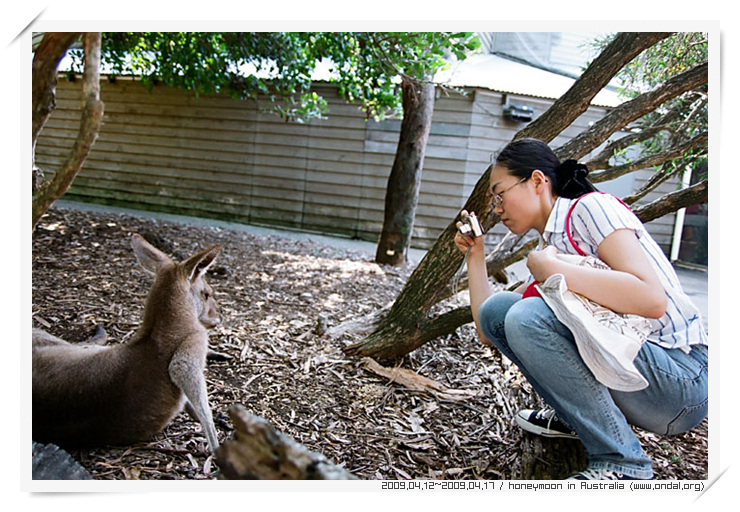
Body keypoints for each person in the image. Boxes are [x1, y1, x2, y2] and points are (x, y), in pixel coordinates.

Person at [454, 138, 708, 480]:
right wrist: (476, 253)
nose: (496, 207)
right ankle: (578, 420)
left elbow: (652, 299)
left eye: (500, 194)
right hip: (641, 379)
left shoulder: (591, 209)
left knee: (528, 315)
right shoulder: (551, 246)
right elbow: (490, 329)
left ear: (537, 181)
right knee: (502, 309)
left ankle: (623, 463)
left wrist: (555, 271)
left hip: (680, 379)